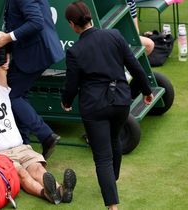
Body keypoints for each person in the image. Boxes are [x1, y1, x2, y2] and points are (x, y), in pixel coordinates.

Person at [0, 31, 77, 204]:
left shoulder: (1, 91)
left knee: (37, 169)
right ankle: (48, 193)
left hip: (21, 148)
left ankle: (62, 190)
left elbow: (2, 62)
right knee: (21, 174)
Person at [61, 2, 154, 210]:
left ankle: (112, 206)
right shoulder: (115, 35)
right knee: (114, 139)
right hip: (121, 102)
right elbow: (135, 67)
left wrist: (66, 101)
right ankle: (113, 181)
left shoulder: (75, 51)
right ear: (90, 17)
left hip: (94, 108)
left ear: (71, 24)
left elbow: (72, 84)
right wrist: (147, 91)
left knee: (102, 157)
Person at [0, 0, 65, 160]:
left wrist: (7, 38)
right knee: (19, 94)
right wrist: (7, 47)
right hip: (36, 51)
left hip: (36, 52)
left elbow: (36, 22)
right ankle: (23, 141)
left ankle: (46, 135)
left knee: (11, 95)